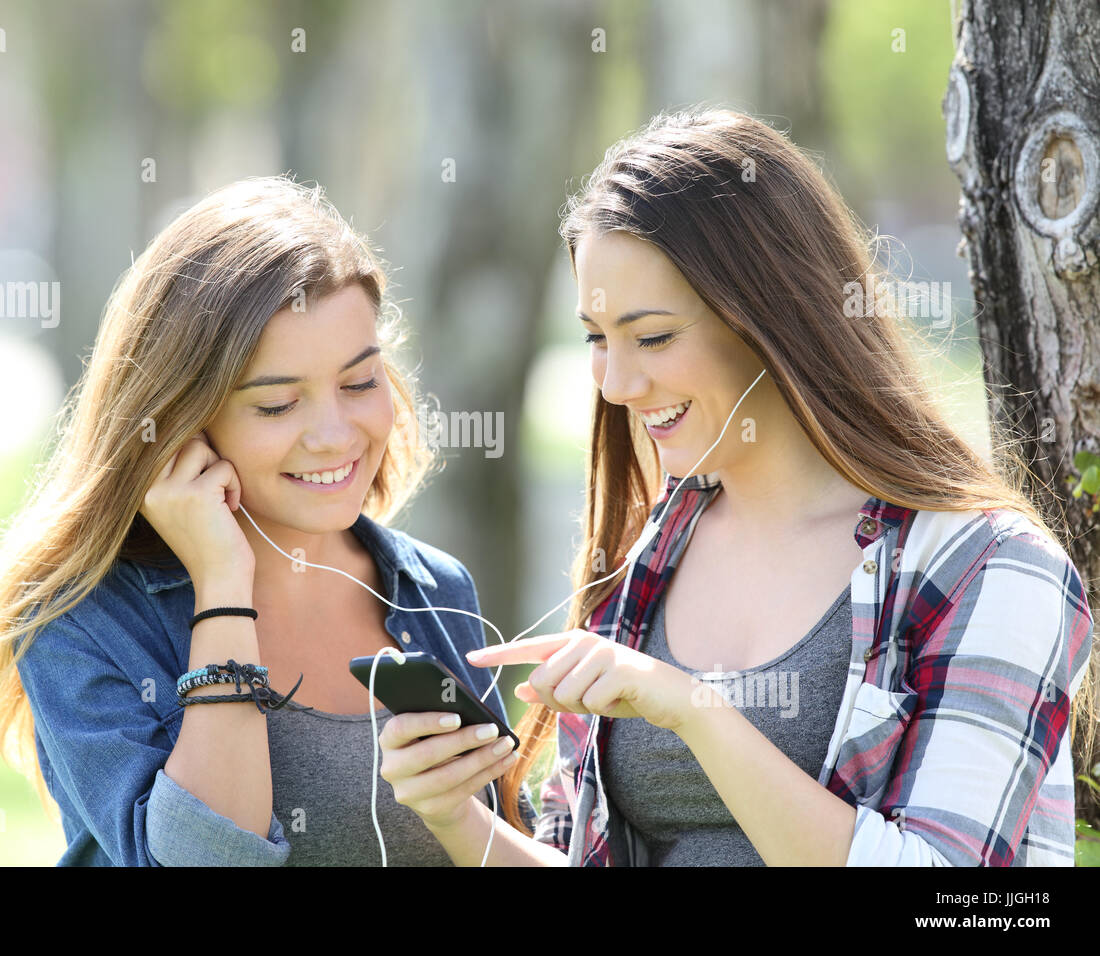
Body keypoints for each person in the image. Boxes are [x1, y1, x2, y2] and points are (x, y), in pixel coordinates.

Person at [377, 106, 1097, 866]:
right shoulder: (654, 550)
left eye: (652, 336)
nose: (617, 383)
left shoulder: (993, 568)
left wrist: (694, 711)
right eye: (596, 336)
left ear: (774, 315)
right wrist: (458, 817)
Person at [0, 176, 526, 866]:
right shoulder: (80, 621)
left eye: (360, 383)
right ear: (184, 421)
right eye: (278, 405)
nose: (334, 435)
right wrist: (222, 583)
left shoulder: (435, 589)